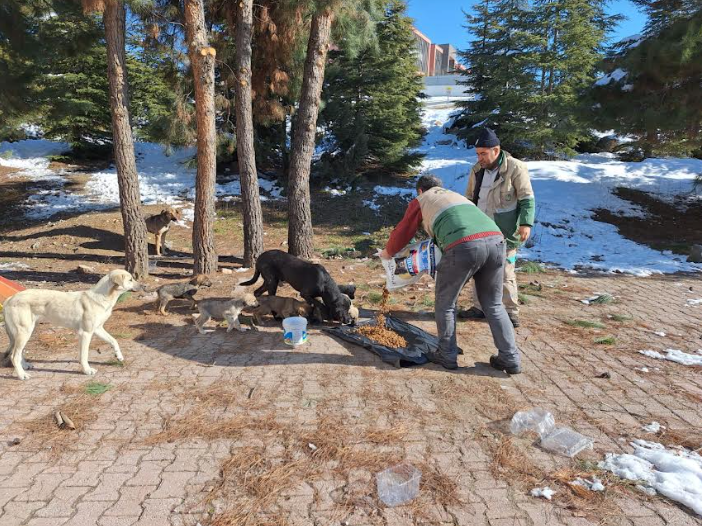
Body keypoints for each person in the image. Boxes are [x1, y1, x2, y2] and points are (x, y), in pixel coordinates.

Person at [379, 174, 521, 374]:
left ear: (420, 191)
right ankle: (510, 357)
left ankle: (446, 354)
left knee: (446, 303)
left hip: (465, 245)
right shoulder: (454, 196)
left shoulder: (422, 200)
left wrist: (387, 253)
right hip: (497, 242)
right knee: (494, 303)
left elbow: (403, 232)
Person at [459, 128, 535, 328]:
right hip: (478, 229)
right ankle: (479, 307)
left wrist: (526, 224)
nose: (480, 158)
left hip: (505, 231)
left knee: (505, 271)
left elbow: (527, 198)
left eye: (483, 153)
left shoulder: (516, 168)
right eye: (477, 153)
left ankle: (510, 311)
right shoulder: (476, 170)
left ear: (496, 150)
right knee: (478, 269)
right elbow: (468, 199)